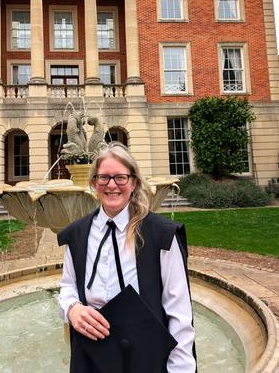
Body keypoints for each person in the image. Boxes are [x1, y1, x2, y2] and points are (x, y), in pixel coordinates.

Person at [57, 142, 196, 372]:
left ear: (133, 183)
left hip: (146, 356)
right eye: (103, 178)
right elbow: (67, 285)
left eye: (120, 177)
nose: (112, 185)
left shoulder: (161, 235)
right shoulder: (77, 234)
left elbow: (179, 314)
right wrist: (72, 309)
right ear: (94, 184)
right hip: (90, 357)